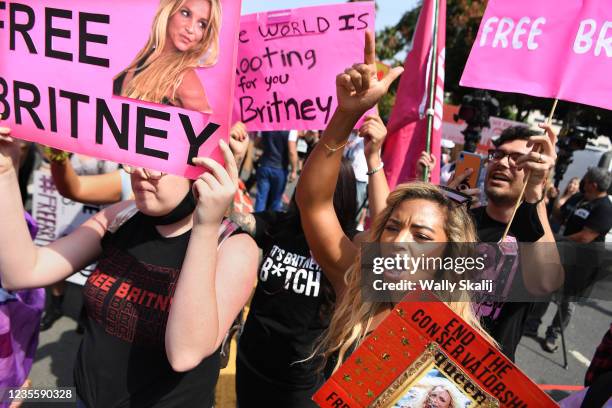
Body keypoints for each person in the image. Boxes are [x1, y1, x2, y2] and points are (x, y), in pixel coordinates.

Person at [0, 121, 259, 407]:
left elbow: (185, 353)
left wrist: (205, 227)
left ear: (200, 170)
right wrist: (6, 172)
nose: (138, 172)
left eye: (156, 164)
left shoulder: (234, 247)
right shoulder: (122, 216)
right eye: (135, 160)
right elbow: (22, 272)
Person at [295, 32, 496, 375]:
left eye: (421, 236)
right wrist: (345, 115)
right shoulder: (358, 289)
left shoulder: (466, 348)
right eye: (392, 226)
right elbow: (313, 203)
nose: (399, 242)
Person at [232, 157, 357, 408]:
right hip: (251, 365)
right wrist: (233, 162)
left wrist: (375, 162)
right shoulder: (278, 225)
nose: (308, 185)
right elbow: (230, 218)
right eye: (306, 177)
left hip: (299, 383)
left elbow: (389, 254)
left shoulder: (348, 246)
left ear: (338, 192)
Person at [444, 125, 563, 361]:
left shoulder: (536, 235)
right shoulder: (460, 219)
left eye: (517, 158)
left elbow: (546, 283)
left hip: (485, 373)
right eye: (498, 155)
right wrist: (439, 211)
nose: (502, 163)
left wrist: (536, 191)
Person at [525, 168, 612, 352]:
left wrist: (558, 239)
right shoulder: (579, 198)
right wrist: (559, 198)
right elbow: (559, 215)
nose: (583, 182)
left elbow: (585, 237)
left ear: (593, 185)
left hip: (582, 265)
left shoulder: (605, 208)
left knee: (567, 301)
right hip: (562, 255)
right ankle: (532, 324)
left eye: (586, 180)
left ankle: (553, 333)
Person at [113, 0, 221, 112]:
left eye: (201, 24)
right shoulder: (142, 56)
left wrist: (230, 130)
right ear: (169, 10)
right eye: (185, 13)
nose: (191, 29)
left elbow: (209, 126)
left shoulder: (184, 78)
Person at [255, 131, 299, 212]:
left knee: (261, 199)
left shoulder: (265, 122)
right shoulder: (292, 128)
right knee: (276, 201)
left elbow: (257, 142)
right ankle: (271, 223)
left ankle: (257, 222)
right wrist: (294, 170)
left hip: (265, 164)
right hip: (280, 168)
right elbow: (292, 151)